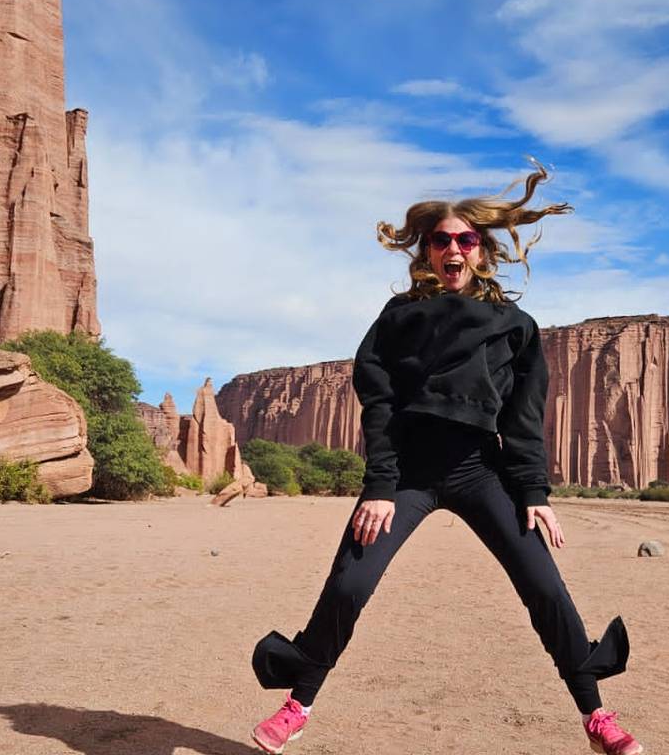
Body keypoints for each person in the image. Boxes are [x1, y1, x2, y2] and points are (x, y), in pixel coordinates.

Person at [249, 161, 644, 755]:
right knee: (350, 584)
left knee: (545, 586)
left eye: (465, 239)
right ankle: (298, 704)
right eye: (441, 240)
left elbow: (524, 421)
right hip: (405, 472)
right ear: (427, 251)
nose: (453, 249)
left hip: (480, 471)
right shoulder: (399, 319)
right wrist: (381, 483)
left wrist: (533, 495)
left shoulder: (516, 327)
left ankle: (596, 714)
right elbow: (377, 403)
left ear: (481, 250)